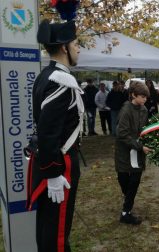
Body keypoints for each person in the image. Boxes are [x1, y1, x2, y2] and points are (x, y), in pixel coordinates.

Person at [28, 19, 83, 251]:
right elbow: (49, 130)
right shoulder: (62, 80)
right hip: (60, 165)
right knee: (57, 232)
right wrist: (53, 172)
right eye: (76, 44)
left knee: (49, 226)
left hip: (52, 161)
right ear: (64, 47)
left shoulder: (45, 76)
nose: (79, 49)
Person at [115, 81, 152, 225]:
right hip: (125, 151)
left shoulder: (144, 110)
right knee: (123, 178)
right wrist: (139, 146)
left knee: (135, 180)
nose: (144, 100)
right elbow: (122, 134)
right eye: (142, 97)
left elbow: (145, 129)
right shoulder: (126, 111)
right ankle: (127, 197)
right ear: (133, 95)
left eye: (146, 97)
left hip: (138, 151)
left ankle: (126, 212)